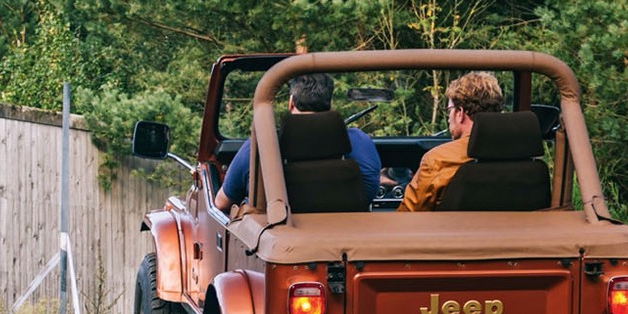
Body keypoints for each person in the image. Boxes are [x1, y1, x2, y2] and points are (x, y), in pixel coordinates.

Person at [214, 73, 380, 211]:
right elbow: (367, 195)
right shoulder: (360, 142)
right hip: (348, 243)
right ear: (330, 104)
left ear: (291, 103)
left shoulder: (260, 147)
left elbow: (221, 203)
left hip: (279, 243)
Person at [397, 71, 504, 212]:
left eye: (449, 111)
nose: (448, 118)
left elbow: (408, 216)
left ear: (459, 113)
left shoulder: (438, 160)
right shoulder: (523, 158)